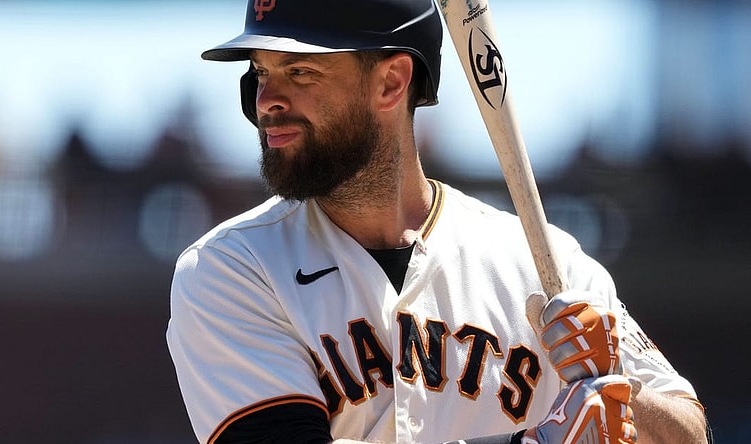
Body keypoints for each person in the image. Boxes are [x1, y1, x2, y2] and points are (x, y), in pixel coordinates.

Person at [166, 0, 711, 443]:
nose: (266, 100)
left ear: (391, 82)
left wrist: (620, 390)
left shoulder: (548, 262)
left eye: (300, 71)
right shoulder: (231, 269)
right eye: (261, 72)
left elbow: (690, 433)